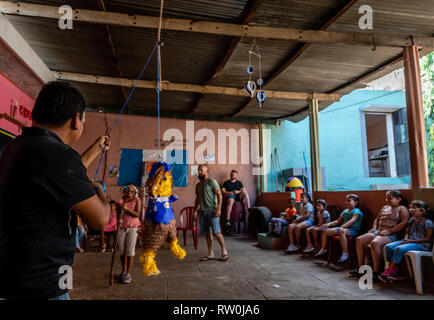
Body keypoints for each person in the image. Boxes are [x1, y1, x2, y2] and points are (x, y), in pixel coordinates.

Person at [0, 81, 111, 300]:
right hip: (41, 286)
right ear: (76, 119)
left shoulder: (15, 147)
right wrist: (100, 191)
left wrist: (96, 149)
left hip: (11, 279)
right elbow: (100, 220)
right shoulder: (59, 155)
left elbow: (56, 177)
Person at [349, 190, 410, 278]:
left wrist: (389, 231)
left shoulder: (402, 208)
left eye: (390, 198)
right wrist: (374, 228)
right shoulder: (385, 207)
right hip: (379, 231)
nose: (387, 200)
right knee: (359, 240)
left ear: (399, 199)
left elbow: (404, 222)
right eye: (386, 198)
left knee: (375, 243)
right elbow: (376, 219)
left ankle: (376, 271)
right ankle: (360, 267)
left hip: (392, 234)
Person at [378, 200, 433, 283]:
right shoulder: (412, 220)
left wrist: (410, 241)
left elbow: (427, 238)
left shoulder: (428, 223)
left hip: (421, 244)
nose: (411, 210)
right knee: (388, 247)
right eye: (410, 208)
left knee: (399, 248)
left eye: (414, 208)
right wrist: (406, 239)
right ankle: (393, 271)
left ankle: (389, 270)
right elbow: (408, 232)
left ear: (422, 211)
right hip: (409, 241)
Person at [194, 164, 228, 261]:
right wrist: (195, 211)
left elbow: (219, 195)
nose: (199, 172)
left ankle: (224, 252)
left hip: (213, 211)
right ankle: (211, 253)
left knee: (217, 233)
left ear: (206, 171)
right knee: (207, 234)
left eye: (201, 170)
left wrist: (219, 209)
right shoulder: (198, 185)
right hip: (203, 212)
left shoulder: (212, 182)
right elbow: (197, 199)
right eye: (198, 170)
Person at [314, 194, 363, 263]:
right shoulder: (345, 211)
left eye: (349, 201)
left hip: (352, 230)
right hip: (342, 228)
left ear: (356, 202)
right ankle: (323, 248)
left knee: (341, 231)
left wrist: (342, 227)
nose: (347, 202)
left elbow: (351, 221)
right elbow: (338, 221)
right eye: (346, 201)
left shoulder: (357, 211)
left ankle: (345, 253)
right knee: (325, 231)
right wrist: (328, 224)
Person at [117, 183, 142, 284]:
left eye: (131, 191)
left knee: (130, 250)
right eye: (127, 190)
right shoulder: (120, 201)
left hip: (133, 227)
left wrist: (127, 209)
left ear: (134, 192)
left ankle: (128, 273)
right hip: (122, 227)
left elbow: (137, 214)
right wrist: (118, 219)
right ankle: (124, 269)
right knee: (122, 251)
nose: (129, 192)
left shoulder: (137, 200)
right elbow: (118, 213)